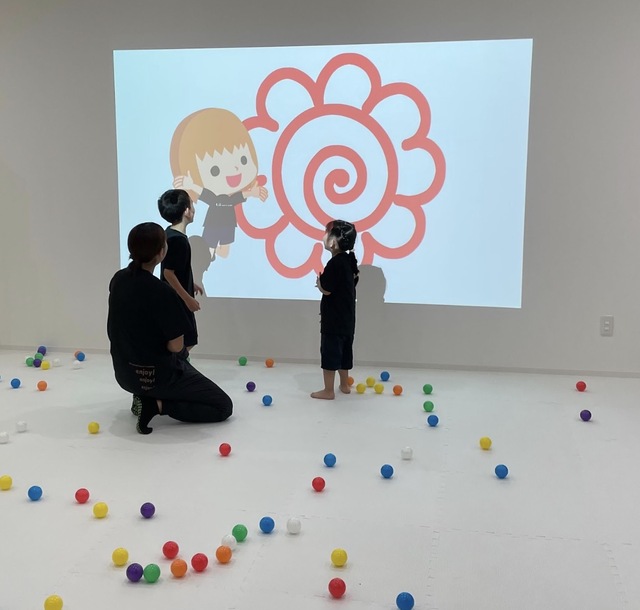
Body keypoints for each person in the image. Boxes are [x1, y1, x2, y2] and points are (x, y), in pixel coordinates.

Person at [107, 222, 233, 434]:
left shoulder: (118, 279)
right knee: (222, 406)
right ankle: (155, 405)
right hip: (157, 377)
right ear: (161, 253)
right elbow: (176, 346)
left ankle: (142, 395)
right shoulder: (163, 293)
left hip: (125, 374)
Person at [170, 108, 268, 262]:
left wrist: (252, 192)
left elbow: (238, 196)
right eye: (214, 170)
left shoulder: (229, 199)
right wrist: (191, 185)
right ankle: (207, 255)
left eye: (243, 160)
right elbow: (204, 193)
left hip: (229, 222)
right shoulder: (213, 198)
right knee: (209, 245)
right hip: (213, 222)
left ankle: (211, 254)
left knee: (224, 250)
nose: (235, 169)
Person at [311, 220, 359, 400]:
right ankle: (344, 385)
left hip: (333, 320)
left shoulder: (334, 264)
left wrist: (319, 283)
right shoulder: (349, 260)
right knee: (345, 352)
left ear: (333, 241)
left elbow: (327, 289)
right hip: (347, 319)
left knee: (330, 354)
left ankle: (328, 390)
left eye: (326, 233)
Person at [157, 188, 201, 350]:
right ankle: (176, 365)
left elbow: (174, 268)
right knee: (186, 341)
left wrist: (191, 283)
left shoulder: (170, 234)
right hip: (177, 301)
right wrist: (188, 299)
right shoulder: (178, 240)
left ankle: (178, 363)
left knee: (185, 342)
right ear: (187, 211)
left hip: (173, 298)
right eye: (192, 205)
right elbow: (168, 273)